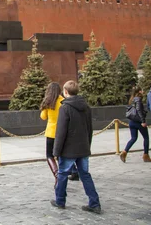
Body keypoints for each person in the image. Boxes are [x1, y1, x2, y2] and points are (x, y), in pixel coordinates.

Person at [51, 81, 101, 214]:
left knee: (62, 174)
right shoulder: (86, 107)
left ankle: (60, 201)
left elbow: (60, 132)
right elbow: (89, 129)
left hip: (68, 149)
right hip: (83, 147)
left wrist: (56, 151)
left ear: (65, 92)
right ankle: (94, 203)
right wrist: (87, 145)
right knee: (85, 175)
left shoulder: (65, 108)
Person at [119, 87, 151, 162]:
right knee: (146, 138)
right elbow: (139, 110)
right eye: (142, 90)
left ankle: (125, 152)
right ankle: (146, 155)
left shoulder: (132, 99)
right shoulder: (138, 99)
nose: (143, 91)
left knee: (133, 138)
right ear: (139, 91)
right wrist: (143, 121)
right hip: (138, 122)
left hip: (132, 121)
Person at [40, 82, 64, 187]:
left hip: (50, 132)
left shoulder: (48, 102)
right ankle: (64, 173)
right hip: (62, 132)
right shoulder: (63, 101)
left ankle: (56, 173)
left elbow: (43, 117)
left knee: (49, 155)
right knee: (61, 155)